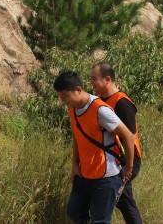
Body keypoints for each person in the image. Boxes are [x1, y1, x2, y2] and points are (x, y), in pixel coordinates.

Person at [54, 70, 135, 224]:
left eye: (64, 95)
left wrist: (128, 167)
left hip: (105, 177)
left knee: (100, 220)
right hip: (84, 174)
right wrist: (74, 165)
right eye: (59, 96)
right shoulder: (73, 107)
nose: (61, 100)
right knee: (74, 211)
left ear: (78, 90)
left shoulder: (100, 110)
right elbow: (78, 137)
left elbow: (128, 136)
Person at [90, 63, 143, 224]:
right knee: (125, 202)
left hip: (126, 160)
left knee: (120, 201)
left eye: (94, 79)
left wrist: (128, 166)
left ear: (107, 79)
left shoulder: (122, 103)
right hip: (112, 160)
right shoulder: (99, 100)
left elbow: (130, 137)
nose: (91, 83)